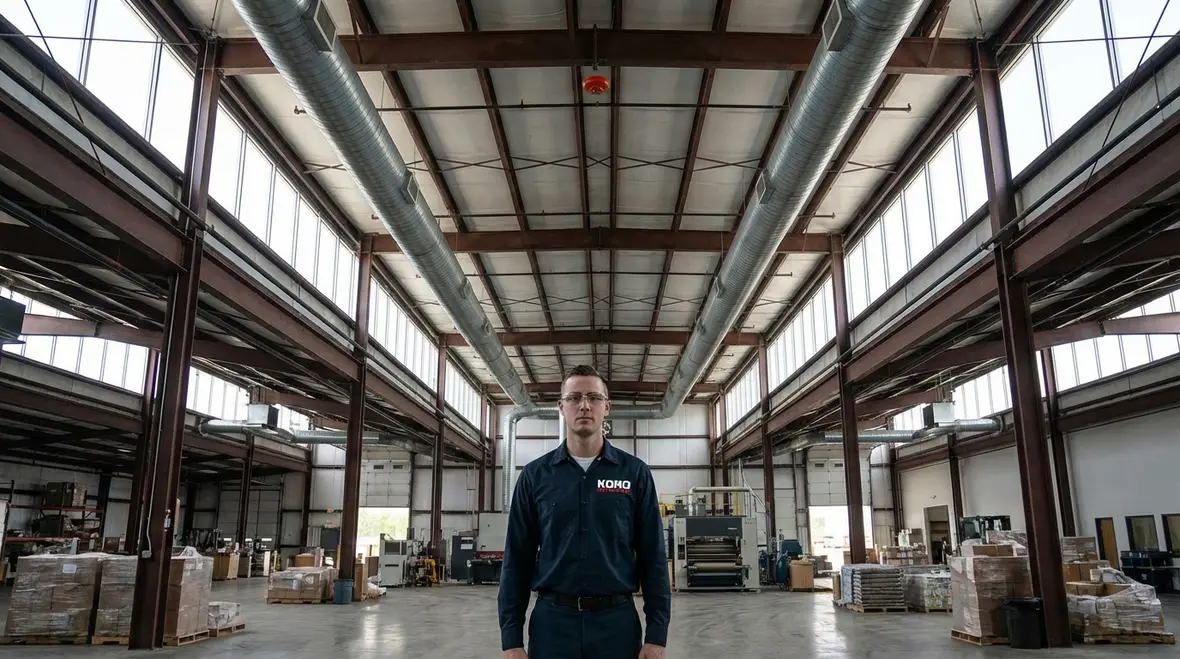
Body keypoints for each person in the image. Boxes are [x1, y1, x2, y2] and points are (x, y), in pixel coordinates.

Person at [498, 365, 671, 659]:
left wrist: (657, 633)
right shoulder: (535, 476)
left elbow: (652, 555)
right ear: (561, 407)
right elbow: (517, 560)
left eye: (594, 397)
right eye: (575, 397)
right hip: (552, 626)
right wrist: (511, 639)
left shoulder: (635, 474)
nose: (585, 405)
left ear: (607, 407)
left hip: (616, 625)